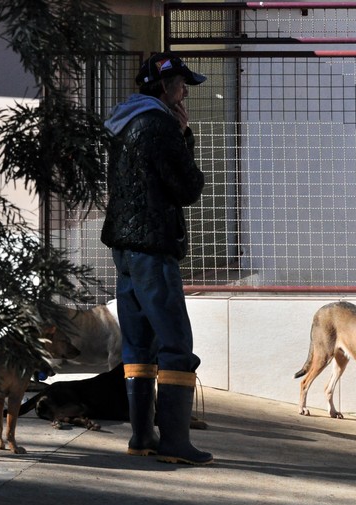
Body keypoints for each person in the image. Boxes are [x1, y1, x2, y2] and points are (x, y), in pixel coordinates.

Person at [100, 52, 212, 465]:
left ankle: (142, 435)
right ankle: (175, 443)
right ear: (165, 87)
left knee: (138, 343)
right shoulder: (160, 124)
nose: (185, 95)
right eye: (182, 86)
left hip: (124, 248)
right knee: (176, 344)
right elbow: (187, 187)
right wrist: (184, 135)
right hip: (152, 247)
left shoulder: (124, 120)